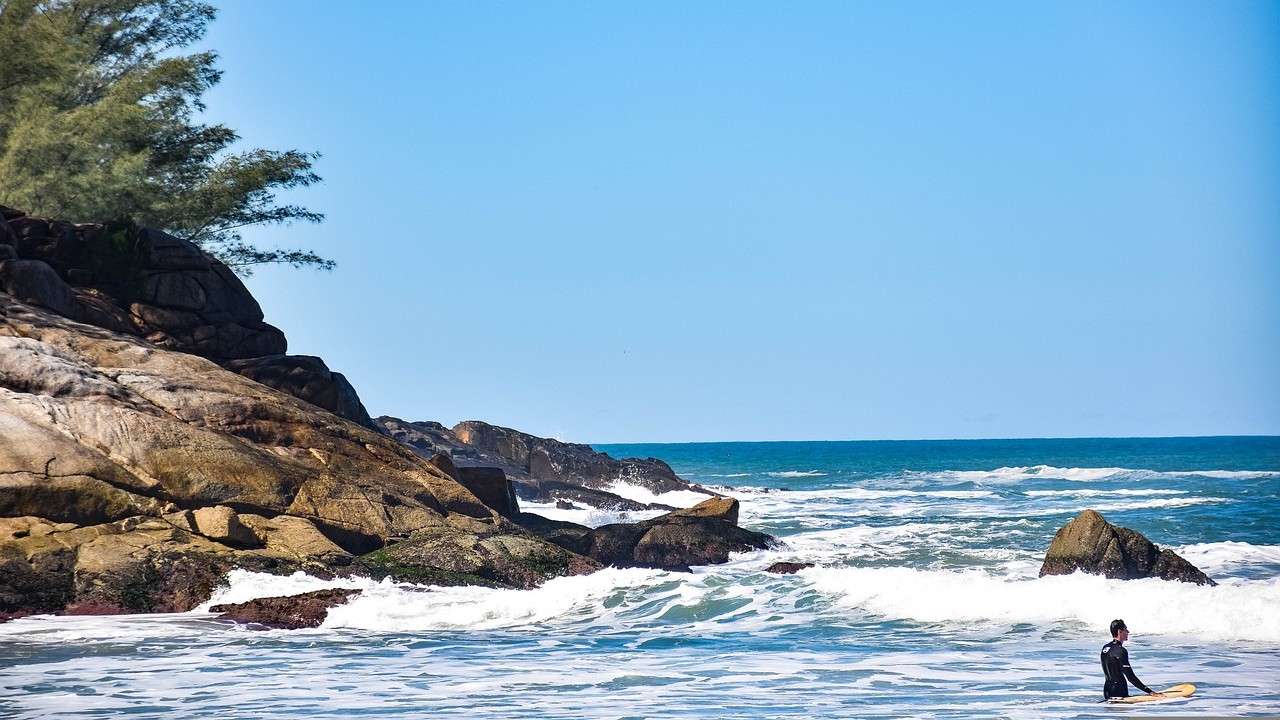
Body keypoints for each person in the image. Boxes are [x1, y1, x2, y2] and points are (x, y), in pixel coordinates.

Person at [1101, 619, 1163, 700]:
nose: (1128, 632)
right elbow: (1130, 676)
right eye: (1126, 629)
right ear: (1120, 631)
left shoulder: (1105, 648)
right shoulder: (1120, 651)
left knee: (1112, 711)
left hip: (1107, 691)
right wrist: (1150, 692)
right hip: (1119, 692)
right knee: (1121, 712)